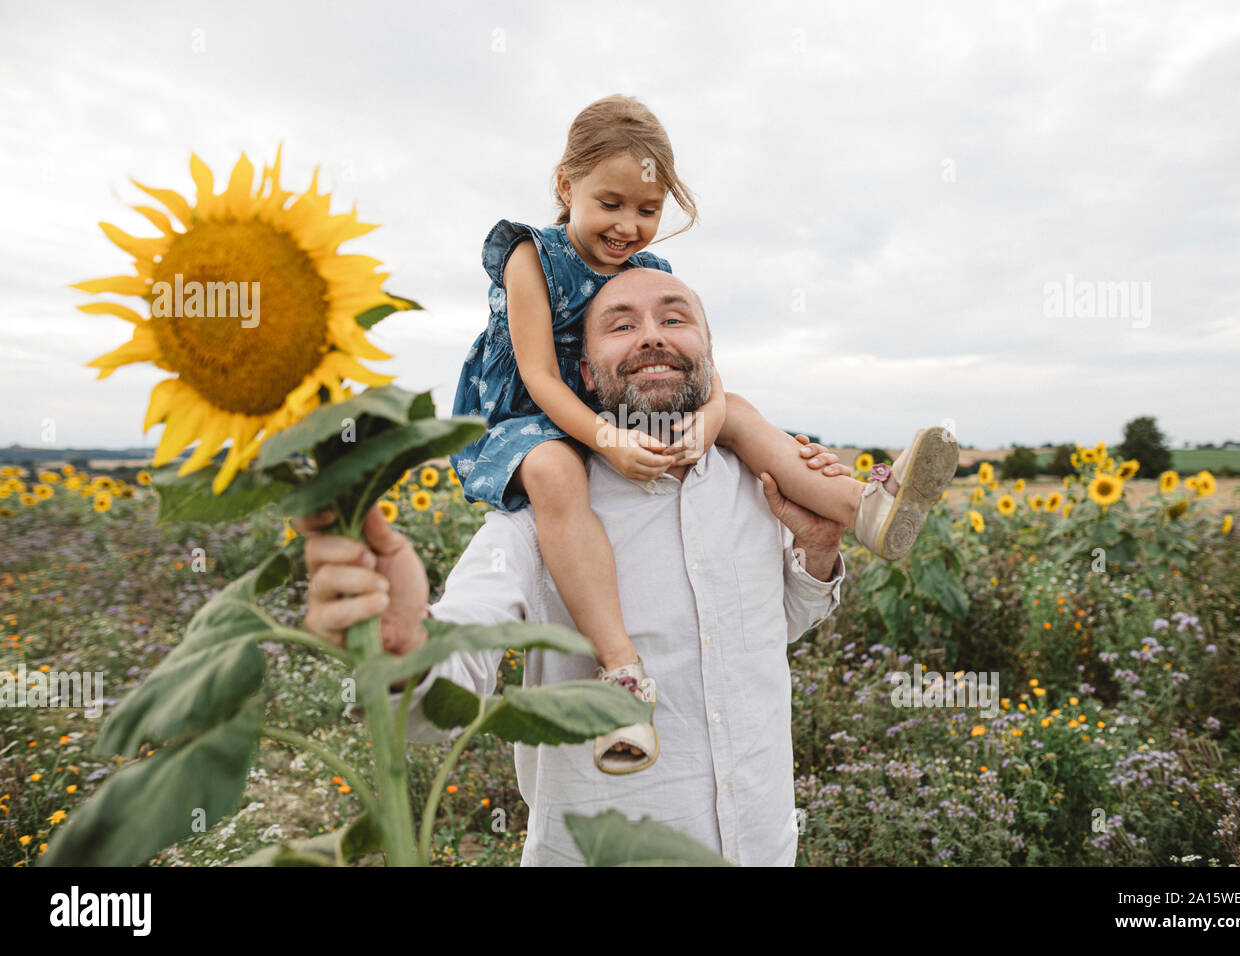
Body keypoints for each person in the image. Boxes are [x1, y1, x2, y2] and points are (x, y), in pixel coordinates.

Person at [297, 268, 954, 865]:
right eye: (621, 325)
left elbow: (761, 635)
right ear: (583, 373)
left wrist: (815, 549)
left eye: (674, 319)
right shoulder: (542, 513)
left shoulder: (758, 485)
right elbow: (433, 703)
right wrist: (400, 646)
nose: (652, 338)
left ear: (708, 354)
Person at [449, 93, 958, 774]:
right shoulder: (529, 256)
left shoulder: (650, 275)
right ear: (566, 186)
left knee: (741, 410)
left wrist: (710, 421)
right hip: (540, 413)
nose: (629, 226)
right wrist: (605, 439)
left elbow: (712, 379)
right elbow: (541, 376)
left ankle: (865, 508)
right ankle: (622, 671)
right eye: (611, 203)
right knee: (553, 474)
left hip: (622, 406)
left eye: (648, 210)